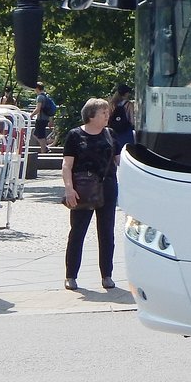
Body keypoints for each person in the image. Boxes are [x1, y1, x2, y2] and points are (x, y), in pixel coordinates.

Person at [62, 98, 119, 291]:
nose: (107, 115)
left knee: (107, 233)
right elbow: (67, 165)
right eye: (103, 112)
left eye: (107, 112)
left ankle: (107, 275)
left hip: (108, 187)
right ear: (91, 115)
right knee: (77, 232)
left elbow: (120, 160)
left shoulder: (110, 134)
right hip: (83, 189)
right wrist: (69, 189)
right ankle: (71, 275)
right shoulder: (75, 135)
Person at [107, 84, 137, 160]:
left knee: (115, 150)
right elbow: (131, 120)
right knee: (127, 152)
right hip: (126, 131)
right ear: (126, 93)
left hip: (114, 130)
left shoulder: (112, 104)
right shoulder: (129, 104)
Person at [33, 82, 55, 153]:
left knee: (41, 136)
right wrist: (50, 120)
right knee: (35, 134)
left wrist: (31, 115)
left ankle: (44, 151)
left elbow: (38, 109)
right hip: (46, 119)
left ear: (37, 88)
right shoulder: (46, 96)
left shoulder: (40, 97)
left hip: (40, 119)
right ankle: (45, 147)